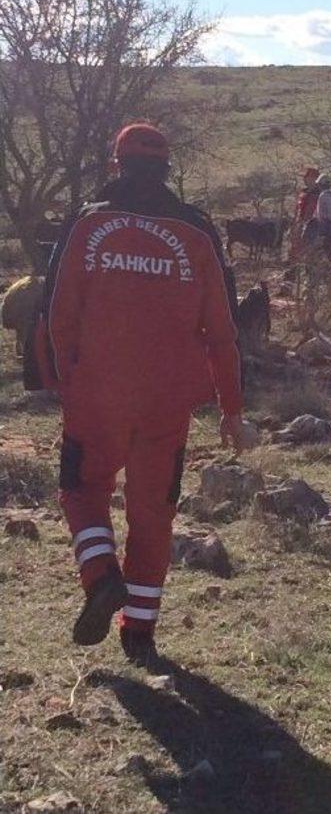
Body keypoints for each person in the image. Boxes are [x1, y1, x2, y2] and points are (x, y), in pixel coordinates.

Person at [26, 122, 254, 667]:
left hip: (97, 395)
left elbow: (57, 313)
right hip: (168, 403)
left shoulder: (87, 224)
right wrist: (232, 409)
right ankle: (140, 633)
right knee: (154, 512)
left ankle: (102, 576)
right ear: (166, 169)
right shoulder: (197, 232)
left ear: (116, 164)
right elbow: (223, 331)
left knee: (83, 492)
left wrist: (62, 379)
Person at [289, 166, 320, 262]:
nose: (305, 179)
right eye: (305, 177)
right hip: (300, 223)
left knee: (309, 250)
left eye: (308, 177)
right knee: (294, 248)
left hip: (312, 225)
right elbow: (298, 209)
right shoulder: (303, 192)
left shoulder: (319, 193)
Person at [313, 173, 331, 263]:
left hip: (325, 224)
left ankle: (327, 266)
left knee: (324, 246)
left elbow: (326, 212)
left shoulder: (323, 196)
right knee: (330, 246)